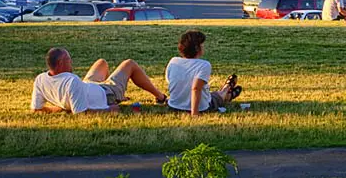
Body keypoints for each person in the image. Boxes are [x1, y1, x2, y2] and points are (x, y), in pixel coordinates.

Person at [31, 47, 166, 114]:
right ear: (60, 63)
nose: (71, 63)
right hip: (107, 94)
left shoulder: (40, 79)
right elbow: (82, 113)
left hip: (88, 86)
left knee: (101, 63)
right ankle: (160, 97)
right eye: (69, 60)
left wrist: (61, 107)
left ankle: (120, 92)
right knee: (129, 64)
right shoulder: (71, 81)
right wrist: (109, 109)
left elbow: (37, 109)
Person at [166, 30, 242, 116]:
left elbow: (171, 82)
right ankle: (227, 90)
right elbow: (196, 89)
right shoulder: (204, 65)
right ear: (197, 48)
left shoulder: (173, 61)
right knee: (215, 97)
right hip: (200, 107)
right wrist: (194, 113)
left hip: (173, 106)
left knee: (209, 94)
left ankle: (226, 90)